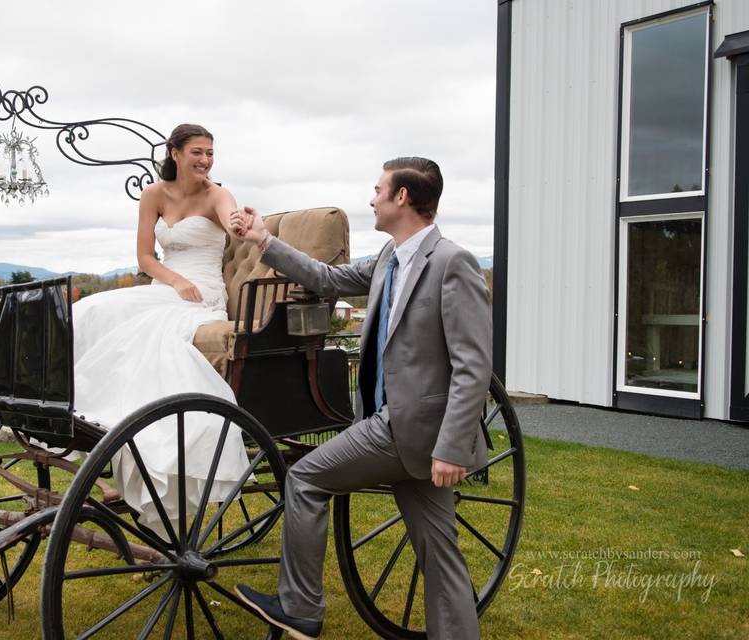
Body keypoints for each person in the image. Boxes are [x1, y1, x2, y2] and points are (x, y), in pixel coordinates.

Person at [231, 157, 491, 640]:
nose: (371, 199)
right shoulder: (390, 259)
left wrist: (453, 448)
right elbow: (326, 280)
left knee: (305, 479)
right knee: (440, 552)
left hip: (407, 429)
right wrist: (262, 240)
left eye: (378, 190)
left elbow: (473, 366)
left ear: (402, 198)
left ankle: (301, 608)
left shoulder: (453, 263)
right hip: (405, 435)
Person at [71, 123, 251, 536]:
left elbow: (233, 221)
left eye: (210, 153)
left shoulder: (218, 195)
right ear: (175, 153)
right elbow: (144, 257)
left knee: (152, 331)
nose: (205, 160)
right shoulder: (153, 194)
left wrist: (241, 224)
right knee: (90, 310)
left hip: (203, 292)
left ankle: (157, 445)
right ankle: (96, 415)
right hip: (168, 285)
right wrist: (173, 280)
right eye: (197, 152)